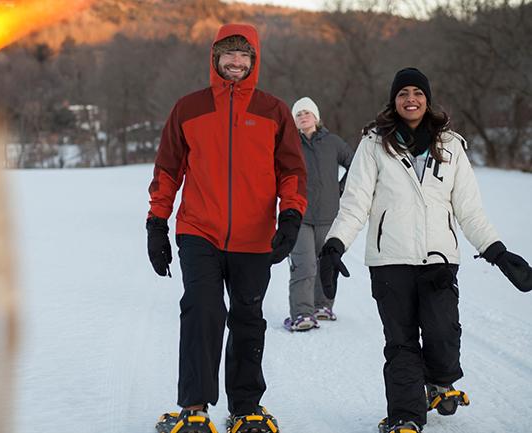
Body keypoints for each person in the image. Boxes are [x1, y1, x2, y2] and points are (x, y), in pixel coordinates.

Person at [318, 67, 532, 433]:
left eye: (418, 92)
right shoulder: (373, 144)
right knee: (400, 343)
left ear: (427, 99)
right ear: (394, 100)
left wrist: (496, 251)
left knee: (443, 334)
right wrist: (334, 245)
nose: (411, 99)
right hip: (390, 261)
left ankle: (438, 379)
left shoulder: (450, 146)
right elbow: (355, 203)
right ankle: (405, 415)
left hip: (439, 260)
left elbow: (469, 209)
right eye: (403, 93)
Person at [146, 23, 307, 433]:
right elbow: (168, 169)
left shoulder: (273, 110)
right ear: (215, 58)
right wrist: (156, 223)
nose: (236, 62)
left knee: (248, 317)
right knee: (202, 310)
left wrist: (290, 215)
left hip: (255, 237)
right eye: (228, 54)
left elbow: (292, 171)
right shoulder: (189, 107)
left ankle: (246, 407)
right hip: (199, 229)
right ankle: (194, 407)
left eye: (244, 55)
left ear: (254, 61)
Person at [283, 97, 354, 332]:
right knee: (303, 265)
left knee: (326, 264)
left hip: (329, 215)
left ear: (316, 116)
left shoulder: (333, 142)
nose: (303, 116)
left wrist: (340, 189)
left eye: (307, 112)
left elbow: (355, 166)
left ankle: (323, 306)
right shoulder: (289, 144)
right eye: (298, 114)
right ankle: (302, 314)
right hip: (299, 216)